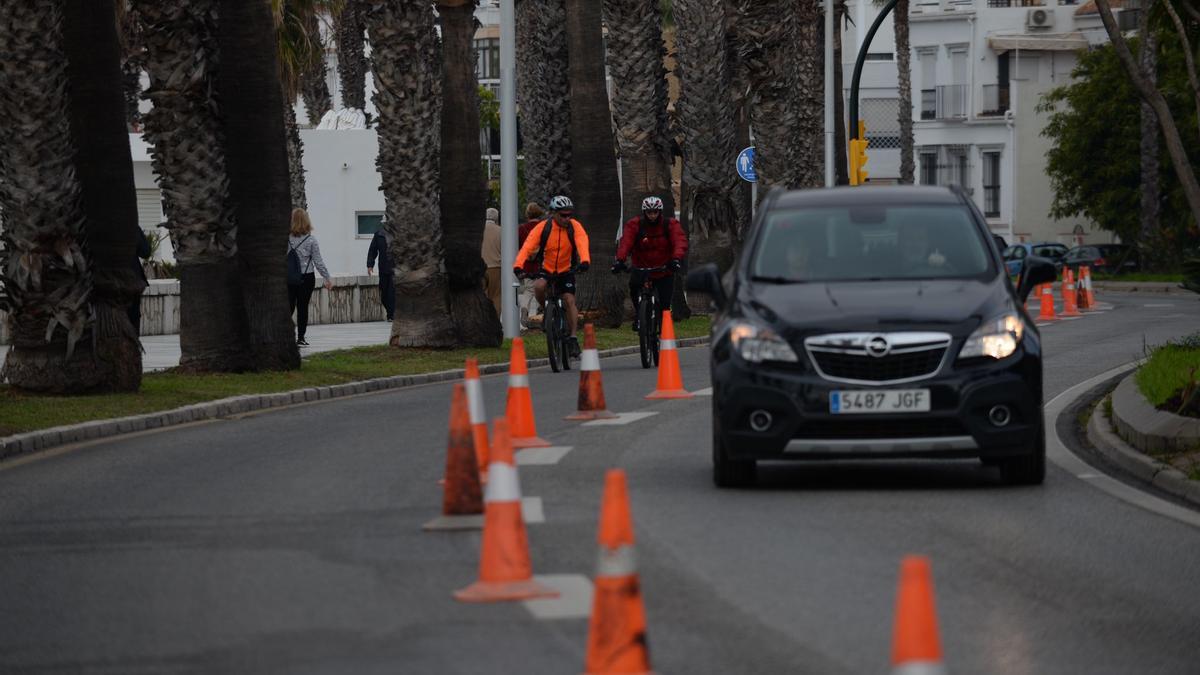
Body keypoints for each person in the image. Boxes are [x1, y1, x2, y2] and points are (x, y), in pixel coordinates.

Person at [513, 195, 591, 356]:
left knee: (569, 300)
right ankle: (546, 309)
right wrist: (518, 266)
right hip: (547, 269)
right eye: (563, 215)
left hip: (566, 270)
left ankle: (573, 338)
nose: (566, 218)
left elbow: (582, 243)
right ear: (553, 213)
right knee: (538, 286)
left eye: (569, 214)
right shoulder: (544, 227)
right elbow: (528, 246)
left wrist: (584, 261)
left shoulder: (574, 227)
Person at [611, 196, 687, 332]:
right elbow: (626, 242)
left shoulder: (670, 224)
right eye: (649, 212)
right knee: (634, 288)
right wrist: (620, 260)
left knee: (664, 304)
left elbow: (679, 241)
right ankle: (639, 316)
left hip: (664, 269)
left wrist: (676, 259)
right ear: (644, 212)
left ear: (660, 212)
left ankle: (664, 331)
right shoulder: (635, 225)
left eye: (655, 212)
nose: (652, 215)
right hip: (641, 268)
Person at [288, 208, 333, 347]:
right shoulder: (311, 240)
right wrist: (327, 277)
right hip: (306, 278)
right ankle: (301, 337)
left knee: (288, 307)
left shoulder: (286, 239)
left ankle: (285, 336)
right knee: (302, 307)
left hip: (288, 277)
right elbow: (318, 261)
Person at [517, 202, 545, 327]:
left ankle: (524, 310)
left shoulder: (521, 229)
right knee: (544, 288)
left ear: (527, 214)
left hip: (527, 265)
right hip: (542, 264)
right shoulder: (544, 227)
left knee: (528, 290)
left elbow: (518, 247)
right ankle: (541, 309)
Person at [366, 223, 394, 321]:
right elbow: (372, 250)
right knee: (384, 294)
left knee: (392, 293)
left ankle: (391, 315)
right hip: (383, 269)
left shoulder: (399, 234)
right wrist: (370, 265)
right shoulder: (379, 235)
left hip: (396, 270)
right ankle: (391, 313)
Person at [481, 207, 503, 316]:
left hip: (480, 267)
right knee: (496, 296)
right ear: (496, 218)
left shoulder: (478, 230)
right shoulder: (501, 231)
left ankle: (482, 320)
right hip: (496, 267)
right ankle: (495, 321)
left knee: (481, 296)